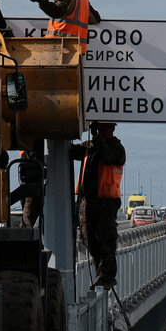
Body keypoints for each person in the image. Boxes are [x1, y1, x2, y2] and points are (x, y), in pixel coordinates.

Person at [69, 121, 126, 289]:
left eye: (104, 128)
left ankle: (107, 277)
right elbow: (71, 151)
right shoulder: (90, 146)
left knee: (105, 238)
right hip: (88, 201)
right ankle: (100, 274)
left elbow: (107, 156)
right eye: (99, 128)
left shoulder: (117, 149)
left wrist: (96, 138)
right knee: (89, 238)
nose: (101, 131)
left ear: (112, 129)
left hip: (106, 202)